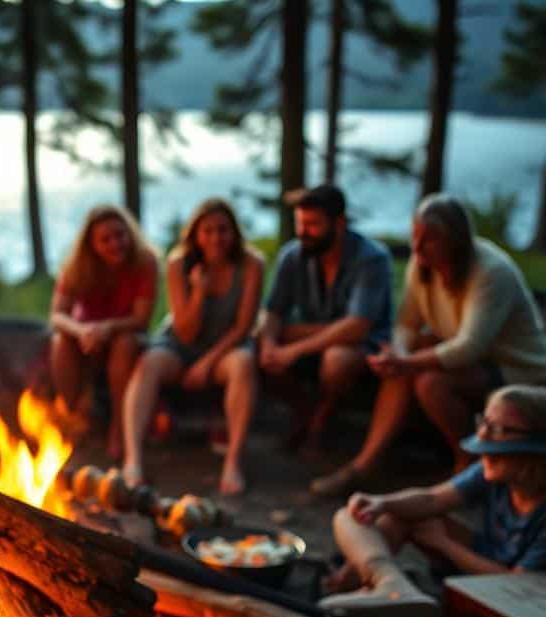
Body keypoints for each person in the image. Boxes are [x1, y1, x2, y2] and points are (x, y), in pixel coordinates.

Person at [312, 194, 546, 496]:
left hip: (515, 370)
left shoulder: (491, 272)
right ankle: (364, 464)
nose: (417, 246)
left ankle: (469, 465)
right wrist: (399, 352)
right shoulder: (423, 265)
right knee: (411, 360)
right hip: (470, 362)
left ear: (455, 241)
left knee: (429, 382)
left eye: (429, 239)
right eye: (415, 236)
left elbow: (470, 346)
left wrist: (406, 361)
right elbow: (406, 324)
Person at [320, 385, 546, 617]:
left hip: (515, 596)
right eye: (484, 423)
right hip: (484, 557)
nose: (483, 436)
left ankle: (365, 589)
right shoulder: (491, 469)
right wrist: (381, 503)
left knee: (416, 524)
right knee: (363, 516)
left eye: (499, 430)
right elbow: (432, 499)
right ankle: (384, 583)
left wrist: (444, 545)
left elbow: (517, 583)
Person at [122, 198, 263, 495]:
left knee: (243, 364)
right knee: (149, 363)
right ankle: (133, 459)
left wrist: (208, 362)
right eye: (207, 230)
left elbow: (243, 327)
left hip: (226, 346)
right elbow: (185, 332)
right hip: (181, 343)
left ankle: (233, 462)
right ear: (195, 234)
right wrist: (199, 291)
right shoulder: (178, 263)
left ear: (234, 232)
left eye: (223, 230)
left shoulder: (252, 264)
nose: (216, 238)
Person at [255, 184, 393, 455]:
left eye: (313, 224)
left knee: (336, 359)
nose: (303, 232)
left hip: (362, 346)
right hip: (316, 337)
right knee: (256, 341)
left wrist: (293, 349)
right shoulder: (293, 255)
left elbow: (357, 326)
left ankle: (323, 417)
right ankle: (305, 410)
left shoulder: (371, 259)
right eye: (300, 223)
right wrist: (269, 343)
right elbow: (273, 311)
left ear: (339, 223)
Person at [49, 204, 158, 458]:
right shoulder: (76, 266)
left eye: (120, 235)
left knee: (124, 344)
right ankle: (71, 417)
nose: (115, 243)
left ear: (130, 234)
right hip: (86, 338)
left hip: (126, 335)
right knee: (60, 342)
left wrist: (107, 327)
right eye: (105, 239)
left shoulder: (145, 261)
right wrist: (82, 331)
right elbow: (57, 315)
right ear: (91, 244)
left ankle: (119, 426)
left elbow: (141, 319)